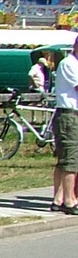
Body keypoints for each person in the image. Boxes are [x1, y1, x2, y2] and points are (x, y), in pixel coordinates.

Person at [51, 36, 78, 214]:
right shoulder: (69, 64)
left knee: (67, 159)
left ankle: (58, 198)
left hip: (73, 115)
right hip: (69, 115)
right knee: (70, 160)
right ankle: (69, 201)